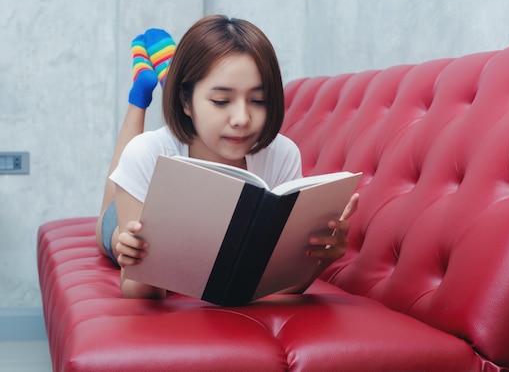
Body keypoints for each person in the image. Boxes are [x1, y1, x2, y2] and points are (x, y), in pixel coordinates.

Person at [95, 15, 359, 299]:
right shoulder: (147, 153)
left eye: (258, 100)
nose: (242, 119)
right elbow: (140, 293)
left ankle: (171, 75)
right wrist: (137, 260)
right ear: (185, 101)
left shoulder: (282, 155)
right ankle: (140, 94)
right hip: (137, 197)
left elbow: (282, 285)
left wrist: (320, 259)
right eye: (221, 101)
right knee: (109, 222)